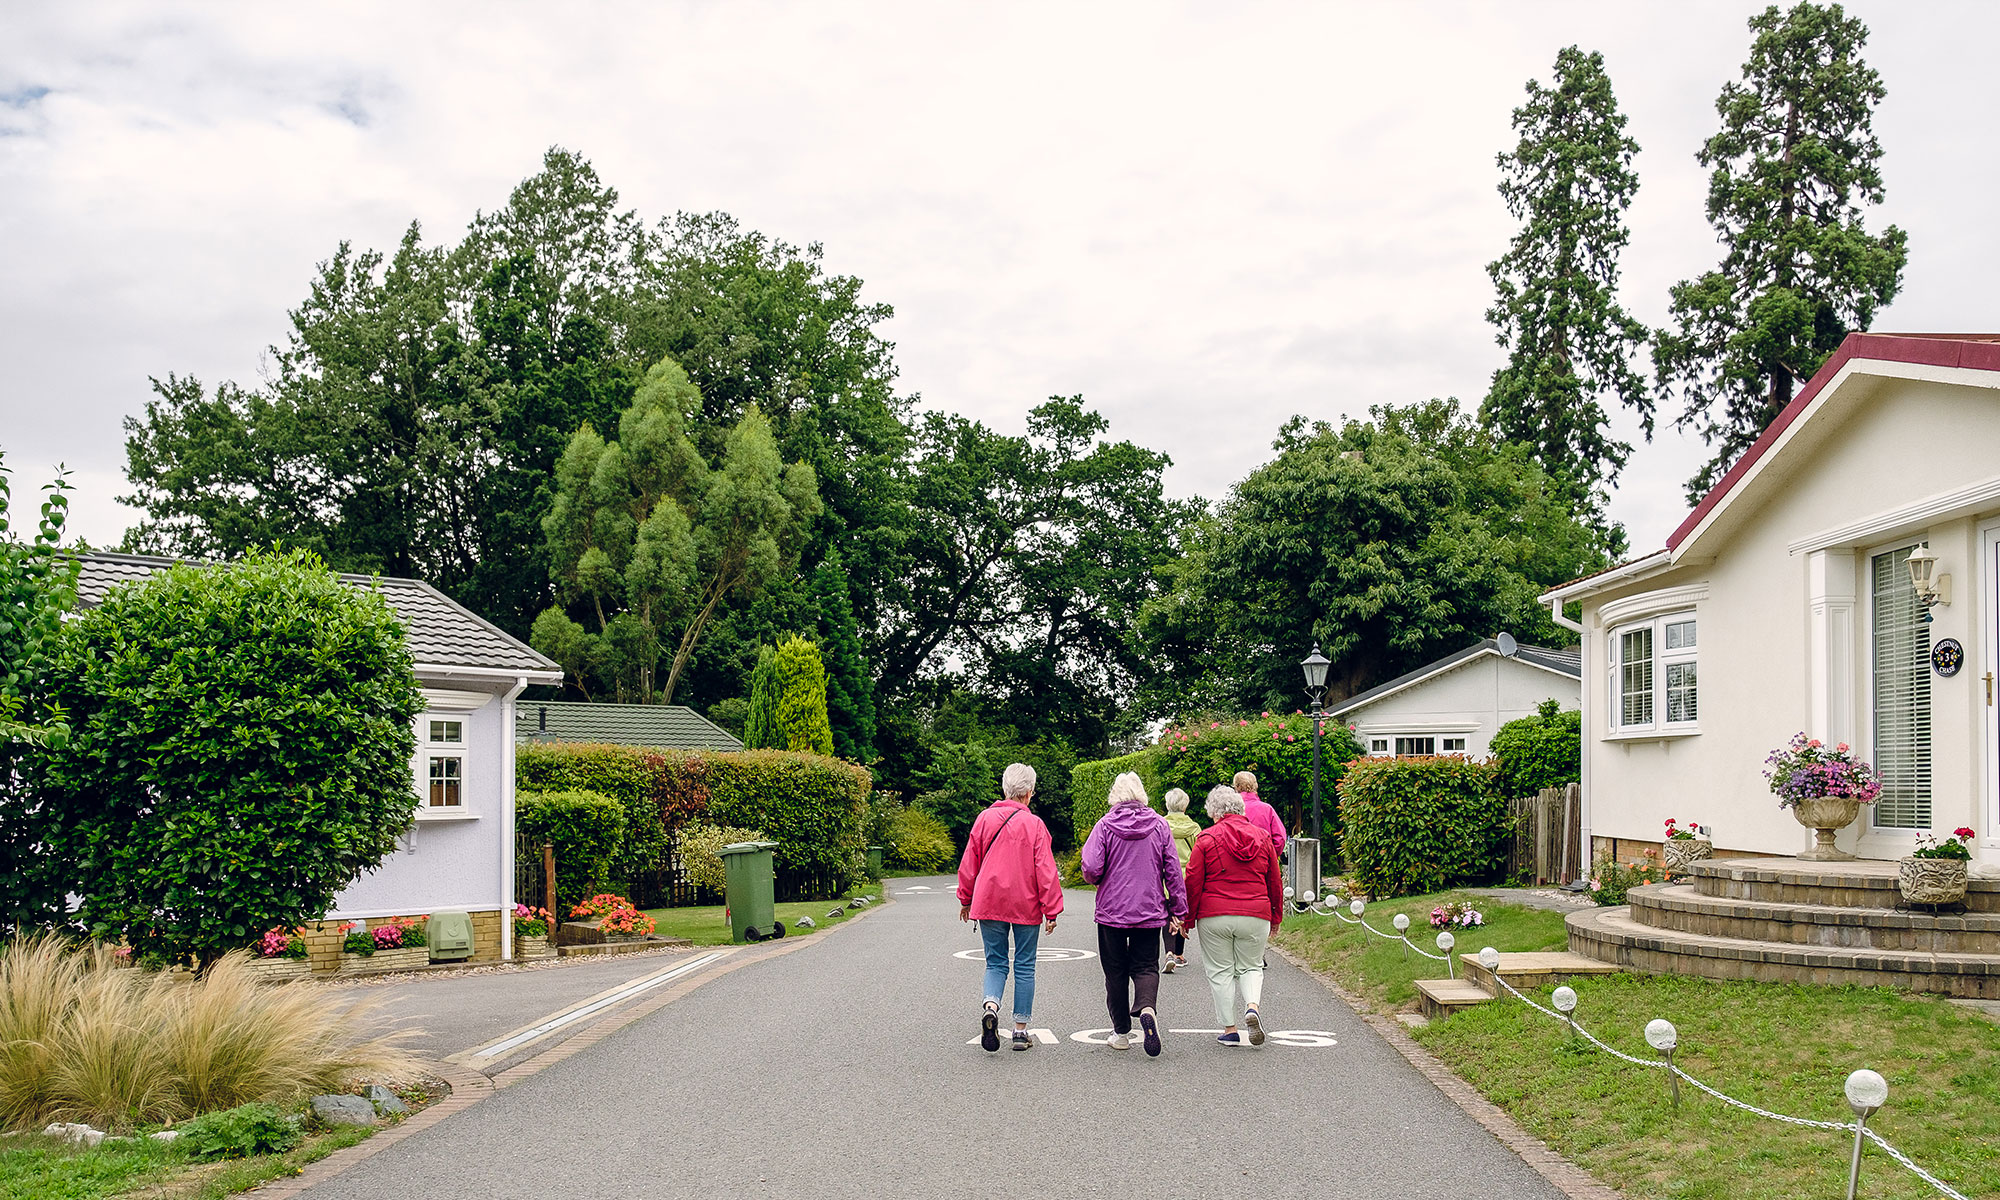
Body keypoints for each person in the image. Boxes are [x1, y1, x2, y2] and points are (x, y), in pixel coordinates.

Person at [958, 762, 1064, 1052]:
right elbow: (1046, 870)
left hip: (989, 900)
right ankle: (1019, 1031)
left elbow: (970, 864)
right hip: (1026, 904)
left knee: (995, 962)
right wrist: (1051, 910)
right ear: (1028, 793)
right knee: (1025, 965)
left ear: (1005, 789)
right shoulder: (1035, 825)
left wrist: (965, 899)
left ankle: (991, 1006)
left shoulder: (984, 820)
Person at [1080, 772, 1188, 1056]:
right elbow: (1173, 870)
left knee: (1115, 972)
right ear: (1142, 795)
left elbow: (1090, 867)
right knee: (1146, 966)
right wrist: (1178, 909)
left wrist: (1100, 879)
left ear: (1114, 796)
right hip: (1149, 909)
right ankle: (1147, 1007)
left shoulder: (1104, 825)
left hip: (1112, 911)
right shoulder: (1160, 826)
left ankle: (1120, 1033)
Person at [1183, 784, 1283, 1047]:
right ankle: (1252, 1007)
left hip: (1215, 913)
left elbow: (1193, 880)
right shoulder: (1262, 838)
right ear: (1240, 808)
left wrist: (1187, 918)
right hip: (1255, 911)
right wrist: (1276, 915)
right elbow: (1274, 880)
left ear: (1214, 813)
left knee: (1220, 971)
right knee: (1251, 966)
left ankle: (1230, 1029)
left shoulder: (1206, 838)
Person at [1160, 788, 1200, 974]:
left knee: (1167, 915)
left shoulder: (1160, 825)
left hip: (1164, 876)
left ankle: (1168, 952)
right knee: (1181, 914)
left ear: (1167, 805)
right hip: (1186, 877)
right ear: (1185, 805)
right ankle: (1179, 954)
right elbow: (1199, 854)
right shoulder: (1194, 828)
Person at [1235, 770, 1287, 859]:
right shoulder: (1267, 809)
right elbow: (1280, 838)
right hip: (1262, 860)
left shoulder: (1231, 809)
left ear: (1236, 787)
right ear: (1256, 786)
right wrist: (1270, 856)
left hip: (1236, 861)